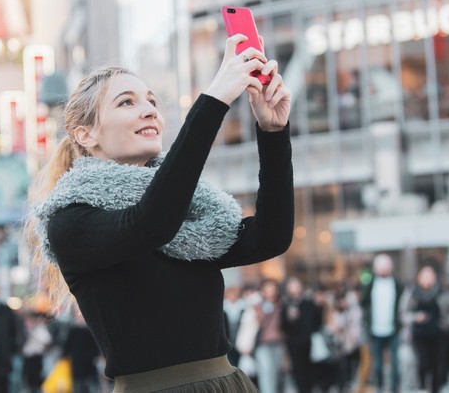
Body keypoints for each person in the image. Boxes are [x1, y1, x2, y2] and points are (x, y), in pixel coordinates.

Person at [25, 32, 293, 392]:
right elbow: (150, 224)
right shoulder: (71, 220)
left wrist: (272, 132)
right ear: (86, 135)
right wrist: (214, 99)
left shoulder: (188, 211)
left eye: (151, 100)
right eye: (126, 103)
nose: (150, 109)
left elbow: (269, 237)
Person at [399, 264, 449, 393]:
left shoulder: (443, 293)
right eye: (424, 276)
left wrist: (445, 324)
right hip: (419, 335)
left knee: (438, 366)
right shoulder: (412, 294)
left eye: (430, 276)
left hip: (439, 336)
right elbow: (403, 314)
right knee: (422, 364)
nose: (427, 279)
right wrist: (416, 317)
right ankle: (422, 389)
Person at [359, 253, 405, 393]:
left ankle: (394, 388)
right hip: (375, 330)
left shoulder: (397, 283)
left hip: (393, 330)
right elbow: (363, 301)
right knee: (377, 364)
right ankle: (379, 387)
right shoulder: (370, 282)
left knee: (395, 364)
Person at [280, 277, 321, 393]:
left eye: (296, 286)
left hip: (308, 341)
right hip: (294, 342)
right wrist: (289, 318)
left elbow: (317, 319)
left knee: (310, 367)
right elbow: (283, 325)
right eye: (291, 286)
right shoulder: (286, 305)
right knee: (298, 369)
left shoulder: (309, 302)